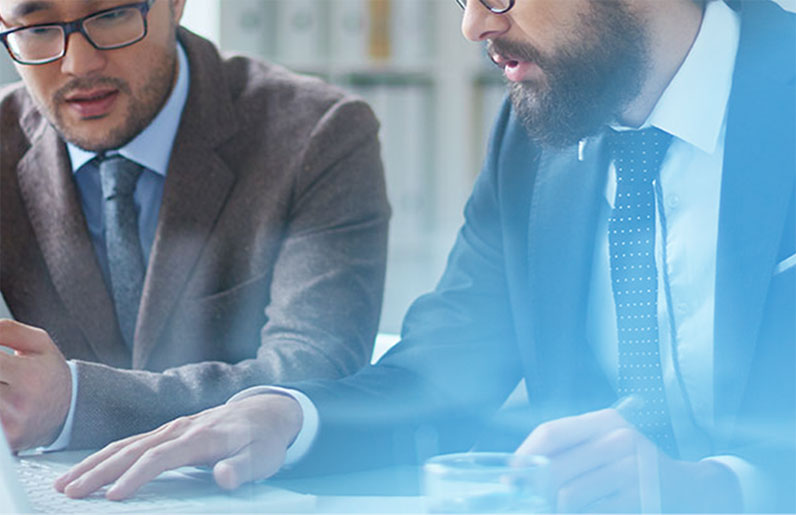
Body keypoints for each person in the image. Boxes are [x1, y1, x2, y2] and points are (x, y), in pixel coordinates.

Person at [54, 0, 795, 512]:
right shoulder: (534, 139)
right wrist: (285, 415)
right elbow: (442, 373)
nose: (474, 25)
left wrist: (723, 491)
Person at [0, 0, 390, 453]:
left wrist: (75, 402)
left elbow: (315, 376)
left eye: (111, 15)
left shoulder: (320, 134)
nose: (78, 64)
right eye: (39, 28)